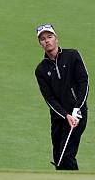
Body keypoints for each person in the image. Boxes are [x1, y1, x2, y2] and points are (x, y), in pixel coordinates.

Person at [34, 24, 89, 170]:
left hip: (77, 114)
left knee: (66, 155)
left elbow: (84, 82)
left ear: (56, 38)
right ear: (40, 44)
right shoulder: (41, 69)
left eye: (49, 37)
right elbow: (49, 99)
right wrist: (65, 115)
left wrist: (77, 108)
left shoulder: (72, 55)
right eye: (43, 39)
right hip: (58, 117)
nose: (47, 41)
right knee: (58, 156)